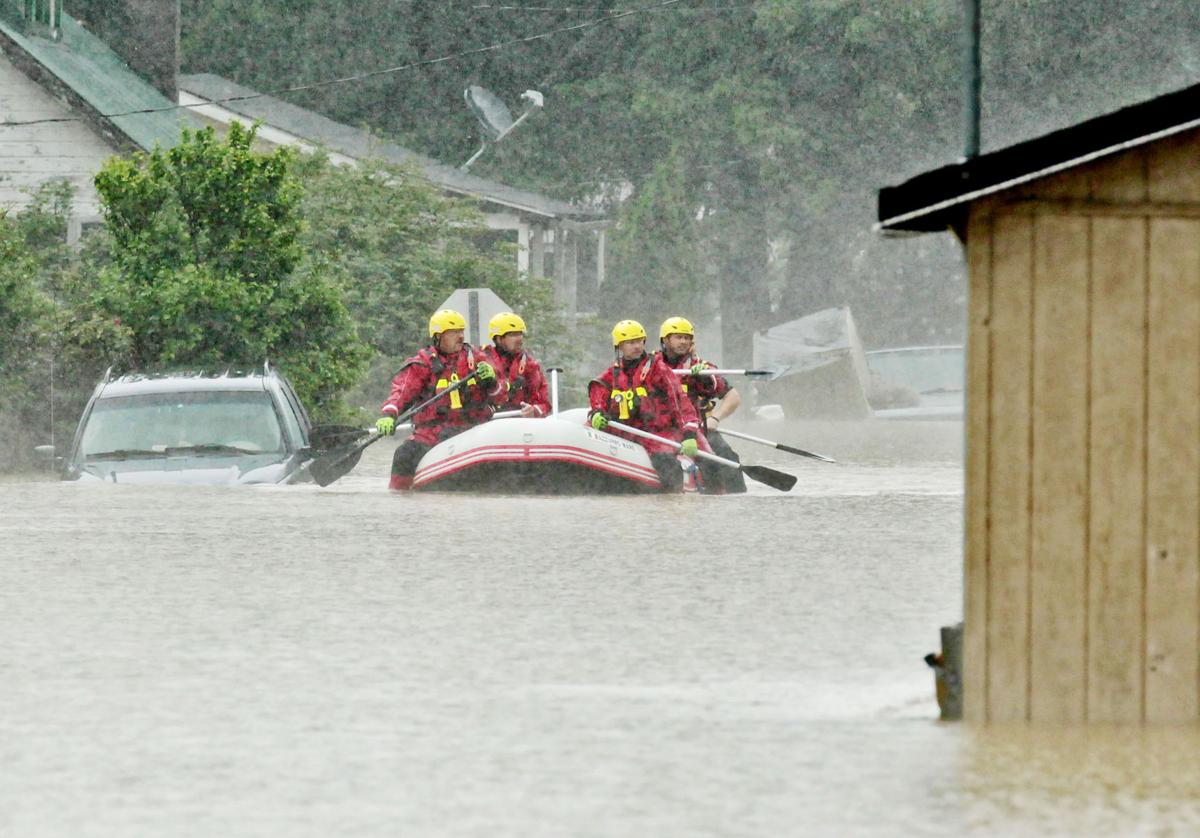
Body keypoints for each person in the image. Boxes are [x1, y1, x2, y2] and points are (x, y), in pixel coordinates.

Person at [374, 309, 504, 490]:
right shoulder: (422, 363)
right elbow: (401, 392)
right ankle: (399, 497)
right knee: (404, 454)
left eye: (461, 331)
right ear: (438, 337)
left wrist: (492, 380)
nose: (459, 336)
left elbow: (501, 395)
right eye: (453, 332)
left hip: (472, 430)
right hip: (432, 434)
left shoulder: (479, 359)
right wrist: (389, 414)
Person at [587, 319, 702, 492]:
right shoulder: (612, 373)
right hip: (624, 433)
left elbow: (680, 402)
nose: (637, 346)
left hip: (656, 433)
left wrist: (689, 433)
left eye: (640, 341)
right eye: (631, 343)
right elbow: (598, 396)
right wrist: (596, 413)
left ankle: (674, 501)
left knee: (665, 460)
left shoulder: (658, 369)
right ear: (620, 346)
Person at [657, 316, 747, 494]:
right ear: (665, 340)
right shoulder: (649, 365)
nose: (683, 342)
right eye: (678, 337)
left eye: (687, 338)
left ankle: (733, 495)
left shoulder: (702, 367)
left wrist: (715, 418)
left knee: (726, 454)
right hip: (660, 427)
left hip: (695, 427)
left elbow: (733, 396)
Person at [482, 311, 551, 418]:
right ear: (498, 339)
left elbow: (544, 405)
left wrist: (533, 411)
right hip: (490, 427)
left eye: (520, 334)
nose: (519, 339)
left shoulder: (529, 364)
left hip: (521, 426)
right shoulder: (483, 362)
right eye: (513, 335)